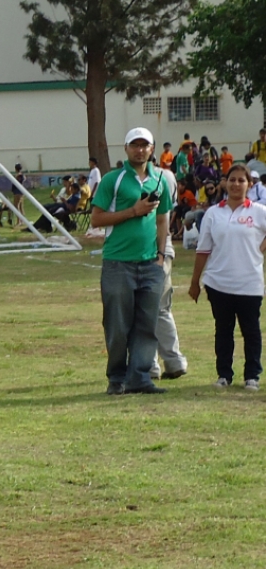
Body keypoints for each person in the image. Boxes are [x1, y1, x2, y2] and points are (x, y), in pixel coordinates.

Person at [89, 126, 173, 395]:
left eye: (144, 145)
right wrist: (133, 211)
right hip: (118, 262)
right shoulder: (113, 180)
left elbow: (162, 219)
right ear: (126, 148)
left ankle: (140, 377)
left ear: (152, 149)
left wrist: (161, 255)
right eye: (134, 145)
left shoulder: (159, 179)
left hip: (150, 264)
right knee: (117, 325)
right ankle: (117, 377)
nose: (140, 150)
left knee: (146, 325)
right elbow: (97, 219)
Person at [187, 163, 266, 389]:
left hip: (250, 283)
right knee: (223, 330)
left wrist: (258, 248)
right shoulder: (213, 213)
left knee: (251, 331)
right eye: (232, 179)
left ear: (249, 185)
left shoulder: (259, 212)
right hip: (218, 283)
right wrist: (195, 283)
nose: (236, 184)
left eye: (241, 180)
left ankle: (252, 375)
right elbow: (203, 250)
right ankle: (224, 375)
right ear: (225, 182)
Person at [149, 165, 188, 381]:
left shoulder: (157, 177)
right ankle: (171, 361)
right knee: (161, 309)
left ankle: (153, 363)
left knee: (149, 310)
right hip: (163, 246)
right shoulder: (168, 175)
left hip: (154, 246)